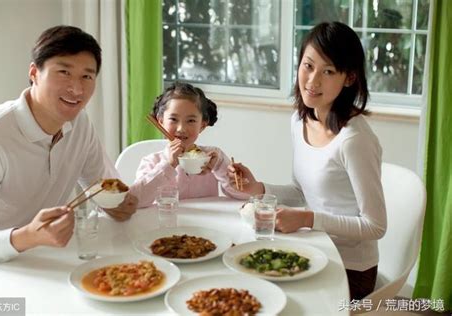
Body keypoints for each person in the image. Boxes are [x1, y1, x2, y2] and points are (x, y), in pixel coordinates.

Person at [228, 22, 387, 299]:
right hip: (314, 248)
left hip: (350, 269)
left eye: (328, 71)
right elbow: (302, 192)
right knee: (242, 279)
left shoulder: (354, 139)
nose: (312, 81)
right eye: (308, 66)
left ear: (349, 78)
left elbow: (375, 226)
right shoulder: (300, 120)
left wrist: (307, 219)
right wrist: (258, 189)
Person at [0, 25, 137, 262]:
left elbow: (102, 185)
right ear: (34, 73)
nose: (76, 89)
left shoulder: (80, 123)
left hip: (50, 258)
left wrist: (116, 205)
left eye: (87, 76)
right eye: (64, 72)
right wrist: (28, 237)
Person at [130, 82, 248, 207]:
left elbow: (243, 195)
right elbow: (134, 201)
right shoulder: (151, 161)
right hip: (165, 224)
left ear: (202, 125)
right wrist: (169, 165)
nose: (181, 129)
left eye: (191, 120)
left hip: (206, 224)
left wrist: (220, 165)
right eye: (173, 119)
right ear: (161, 122)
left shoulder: (212, 157)